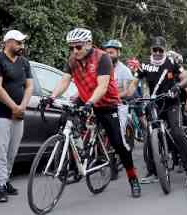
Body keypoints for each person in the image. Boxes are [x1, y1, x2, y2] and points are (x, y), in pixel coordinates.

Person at [50, 28, 142, 198]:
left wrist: (90, 103)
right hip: (86, 99)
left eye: (77, 47)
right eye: (71, 48)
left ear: (89, 44)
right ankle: (78, 157)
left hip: (106, 103)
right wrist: (51, 97)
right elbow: (64, 80)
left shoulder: (102, 58)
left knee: (118, 144)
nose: (74, 51)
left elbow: (102, 86)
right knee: (65, 118)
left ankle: (133, 179)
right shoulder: (72, 60)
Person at [134, 36, 187, 184]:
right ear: (151, 49)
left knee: (177, 133)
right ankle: (153, 172)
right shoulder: (144, 64)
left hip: (172, 103)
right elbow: (133, 84)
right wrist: (126, 96)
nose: (158, 53)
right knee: (149, 137)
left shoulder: (172, 62)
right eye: (155, 49)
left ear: (165, 50)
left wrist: (178, 86)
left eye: (161, 50)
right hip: (154, 104)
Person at [0, 30, 33, 203]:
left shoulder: (24, 63)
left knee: (12, 152)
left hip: (18, 114)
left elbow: (29, 87)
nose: (22, 46)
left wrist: (22, 107)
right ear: (8, 42)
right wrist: (13, 106)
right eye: (19, 42)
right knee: (0, 152)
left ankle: (6, 181)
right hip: (0, 113)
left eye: (22, 42)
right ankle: (0, 186)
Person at [102, 39, 137, 161]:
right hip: (102, 104)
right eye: (106, 53)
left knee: (117, 133)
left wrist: (116, 96)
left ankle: (117, 156)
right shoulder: (101, 67)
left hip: (119, 105)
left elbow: (128, 92)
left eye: (111, 53)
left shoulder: (124, 71)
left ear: (118, 53)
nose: (108, 55)